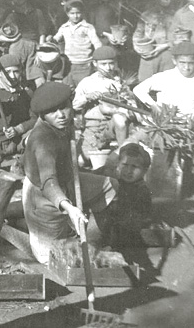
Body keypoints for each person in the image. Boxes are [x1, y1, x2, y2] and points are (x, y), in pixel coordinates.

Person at [22, 82, 117, 264]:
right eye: (52, 112)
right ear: (42, 115)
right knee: (50, 259)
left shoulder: (65, 122)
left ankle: (90, 241)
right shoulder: (42, 140)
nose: (61, 115)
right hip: (42, 194)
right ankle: (16, 224)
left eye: (64, 107)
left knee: (110, 186)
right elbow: (48, 181)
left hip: (69, 181)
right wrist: (70, 207)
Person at [73, 46, 131, 156]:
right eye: (103, 64)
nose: (108, 68)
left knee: (119, 120)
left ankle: (123, 154)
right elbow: (74, 105)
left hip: (115, 125)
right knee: (84, 160)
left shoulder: (120, 81)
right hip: (94, 127)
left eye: (111, 63)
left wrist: (126, 96)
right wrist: (87, 97)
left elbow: (131, 103)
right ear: (95, 63)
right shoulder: (87, 82)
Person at [133, 42, 194, 119]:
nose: (186, 67)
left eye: (191, 63)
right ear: (174, 61)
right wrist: (154, 106)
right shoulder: (165, 77)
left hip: (192, 125)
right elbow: (138, 90)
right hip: (167, 124)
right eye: (182, 62)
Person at [108, 143, 152, 248]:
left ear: (144, 171)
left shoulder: (142, 190)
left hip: (130, 229)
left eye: (134, 167)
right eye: (125, 165)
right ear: (118, 165)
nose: (128, 171)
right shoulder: (114, 182)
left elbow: (142, 217)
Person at [50, 0, 103, 86]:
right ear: (67, 14)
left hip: (84, 64)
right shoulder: (64, 27)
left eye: (78, 13)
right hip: (69, 63)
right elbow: (56, 38)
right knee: (67, 86)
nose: (75, 16)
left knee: (82, 86)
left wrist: (99, 57)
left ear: (82, 13)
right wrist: (51, 39)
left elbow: (96, 43)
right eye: (72, 13)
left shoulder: (87, 27)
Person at [133, 0, 175, 82]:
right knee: (145, 83)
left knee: (167, 84)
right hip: (150, 54)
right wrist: (140, 49)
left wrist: (166, 45)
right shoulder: (147, 15)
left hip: (167, 53)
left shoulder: (175, 16)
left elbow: (179, 37)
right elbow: (138, 33)